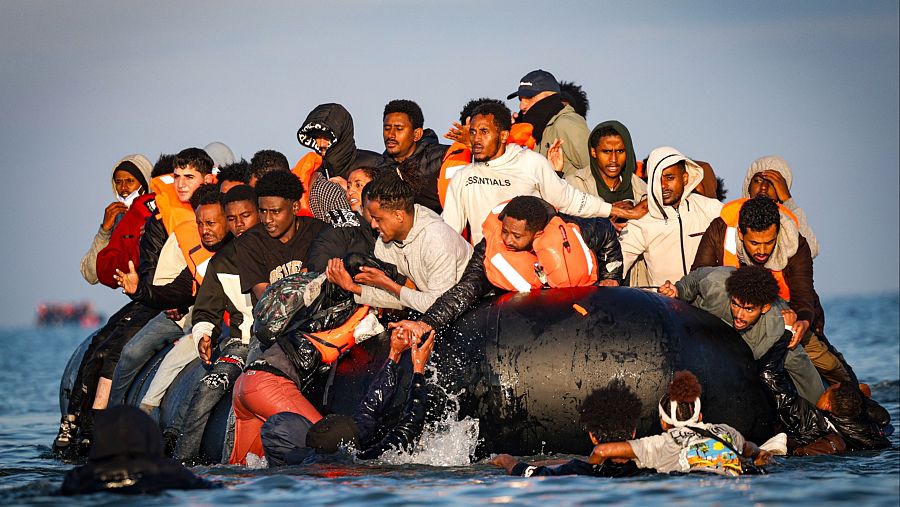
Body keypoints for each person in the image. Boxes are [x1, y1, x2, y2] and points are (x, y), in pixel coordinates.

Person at [389, 196, 622, 339]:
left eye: (517, 236)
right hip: (528, 321)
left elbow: (607, 231)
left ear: (537, 233)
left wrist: (612, 276)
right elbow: (465, 290)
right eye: (505, 231)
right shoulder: (491, 248)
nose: (508, 240)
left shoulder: (570, 231)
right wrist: (425, 323)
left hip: (579, 311)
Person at [692, 195, 856, 386]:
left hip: (785, 315)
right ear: (741, 234)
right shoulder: (720, 230)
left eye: (769, 242)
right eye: (754, 243)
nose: (762, 250)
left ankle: (852, 391)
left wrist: (802, 322)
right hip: (733, 312)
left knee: (826, 362)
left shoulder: (797, 244)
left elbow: (804, 293)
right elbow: (699, 275)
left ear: (777, 232)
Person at [106, 149, 217, 411]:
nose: (180, 184)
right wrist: (143, 291)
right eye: (177, 176)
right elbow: (156, 269)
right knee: (130, 351)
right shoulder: (161, 218)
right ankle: (113, 418)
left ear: (208, 179)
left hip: (209, 307)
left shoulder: (222, 213)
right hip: (172, 304)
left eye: (189, 177)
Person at [442, 101, 635, 245]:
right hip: (487, 272)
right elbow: (448, 232)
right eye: (473, 132)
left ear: (503, 136)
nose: (476, 139)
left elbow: (567, 199)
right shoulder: (463, 177)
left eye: (484, 132)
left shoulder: (530, 162)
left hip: (533, 273)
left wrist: (611, 209)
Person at [168, 185, 261, 463]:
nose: (239, 224)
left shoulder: (284, 248)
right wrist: (203, 335)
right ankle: (183, 463)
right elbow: (205, 311)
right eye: (232, 219)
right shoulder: (221, 262)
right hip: (241, 344)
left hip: (285, 344)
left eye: (246, 216)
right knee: (208, 387)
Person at [260, 328, 436, 465]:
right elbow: (410, 425)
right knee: (279, 428)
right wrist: (418, 370)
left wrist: (393, 355)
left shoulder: (300, 460)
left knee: (277, 428)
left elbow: (369, 412)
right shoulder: (363, 462)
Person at [132, 185, 233, 415]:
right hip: (209, 329)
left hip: (240, 335)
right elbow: (174, 292)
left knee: (203, 376)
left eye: (211, 224)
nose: (204, 230)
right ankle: (142, 412)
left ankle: (178, 434)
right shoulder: (202, 260)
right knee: (172, 356)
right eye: (199, 224)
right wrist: (138, 290)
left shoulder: (243, 251)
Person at [658, 265, 824, 403]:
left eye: (749, 309)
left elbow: (803, 372)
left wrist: (817, 409)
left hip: (746, 353)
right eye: (735, 305)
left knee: (793, 359)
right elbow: (695, 279)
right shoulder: (716, 283)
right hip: (702, 325)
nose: (739, 315)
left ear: (764, 308)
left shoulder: (776, 326)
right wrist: (679, 290)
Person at [325, 170, 473, 314]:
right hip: (437, 311)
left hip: (478, 308)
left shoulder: (437, 239)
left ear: (398, 216)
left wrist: (387, 283)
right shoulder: (383, 243)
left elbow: (439, 305)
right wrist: (352, 288)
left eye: (378, 219)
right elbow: (401, 299)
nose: (373, 225)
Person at [587, 370, 773, 476]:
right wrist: (759, 454)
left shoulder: (661, 443)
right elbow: (750, 449)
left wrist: (592, 477)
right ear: (700, 416)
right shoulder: (726, 430)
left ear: (664, 423)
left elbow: (602, 451)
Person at [758, 330, 891, 455]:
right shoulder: (868, 428)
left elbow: (767, 374)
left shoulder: (812, 419)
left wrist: (786, 335)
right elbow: (884, 418)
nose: (824, 390)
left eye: (827, 391)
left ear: (828, 405)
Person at [490, 380, 643, 477]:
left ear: (592, 436)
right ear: (633, 432)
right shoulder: (651, 464)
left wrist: (505, 460)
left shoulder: (579, 470)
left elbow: (526, 473)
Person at [618, 146, 723, 287]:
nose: (662, 185)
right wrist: (610, 279)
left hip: (704, 304)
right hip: (664, 305)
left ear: (685, 178)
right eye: (657, 179)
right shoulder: (643, 219)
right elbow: (620, 258)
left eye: (669, 178)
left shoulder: (709, 209)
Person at [235, 170, 328, 302]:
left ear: (295, 207)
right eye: (262, 211)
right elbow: (264, 297)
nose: (267, 219)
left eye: (275, 211)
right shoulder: (249, 243)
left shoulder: (320, 232)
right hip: (272, 320)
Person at [295, 103, 382, 218]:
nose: (321, 144)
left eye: (327, 137)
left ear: (341, 135)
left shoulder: (375, 163)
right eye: (316, 137)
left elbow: (391, 207)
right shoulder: (314, 171)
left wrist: (351, 189)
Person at [80, 154, 153, 285]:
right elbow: (91, 275)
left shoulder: (160, 211)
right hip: (140, 294)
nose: (123, 188)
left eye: (130, 181)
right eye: (118, 182)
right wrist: (105, 231)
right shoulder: (117, 216)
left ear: (144, 183)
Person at [507, 69, 590, 177]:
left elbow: (599, 174)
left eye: (529, 97)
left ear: (550, 97)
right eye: (520, 99)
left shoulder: (567, 124)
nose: (521, 106)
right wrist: (508, 138)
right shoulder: (535, 130)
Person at [378, 99, 449, 213]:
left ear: (417, 134)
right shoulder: (380, 169)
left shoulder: (443, 157)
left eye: (399, 129)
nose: (390, 135)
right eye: (387, 128)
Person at [742, 155, 819, 258]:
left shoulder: (785, 225)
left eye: (773, 183)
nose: (764, 187)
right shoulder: (730, 216)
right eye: (758, 180)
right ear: (748, 187)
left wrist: (788, 201)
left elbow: (809, 251)